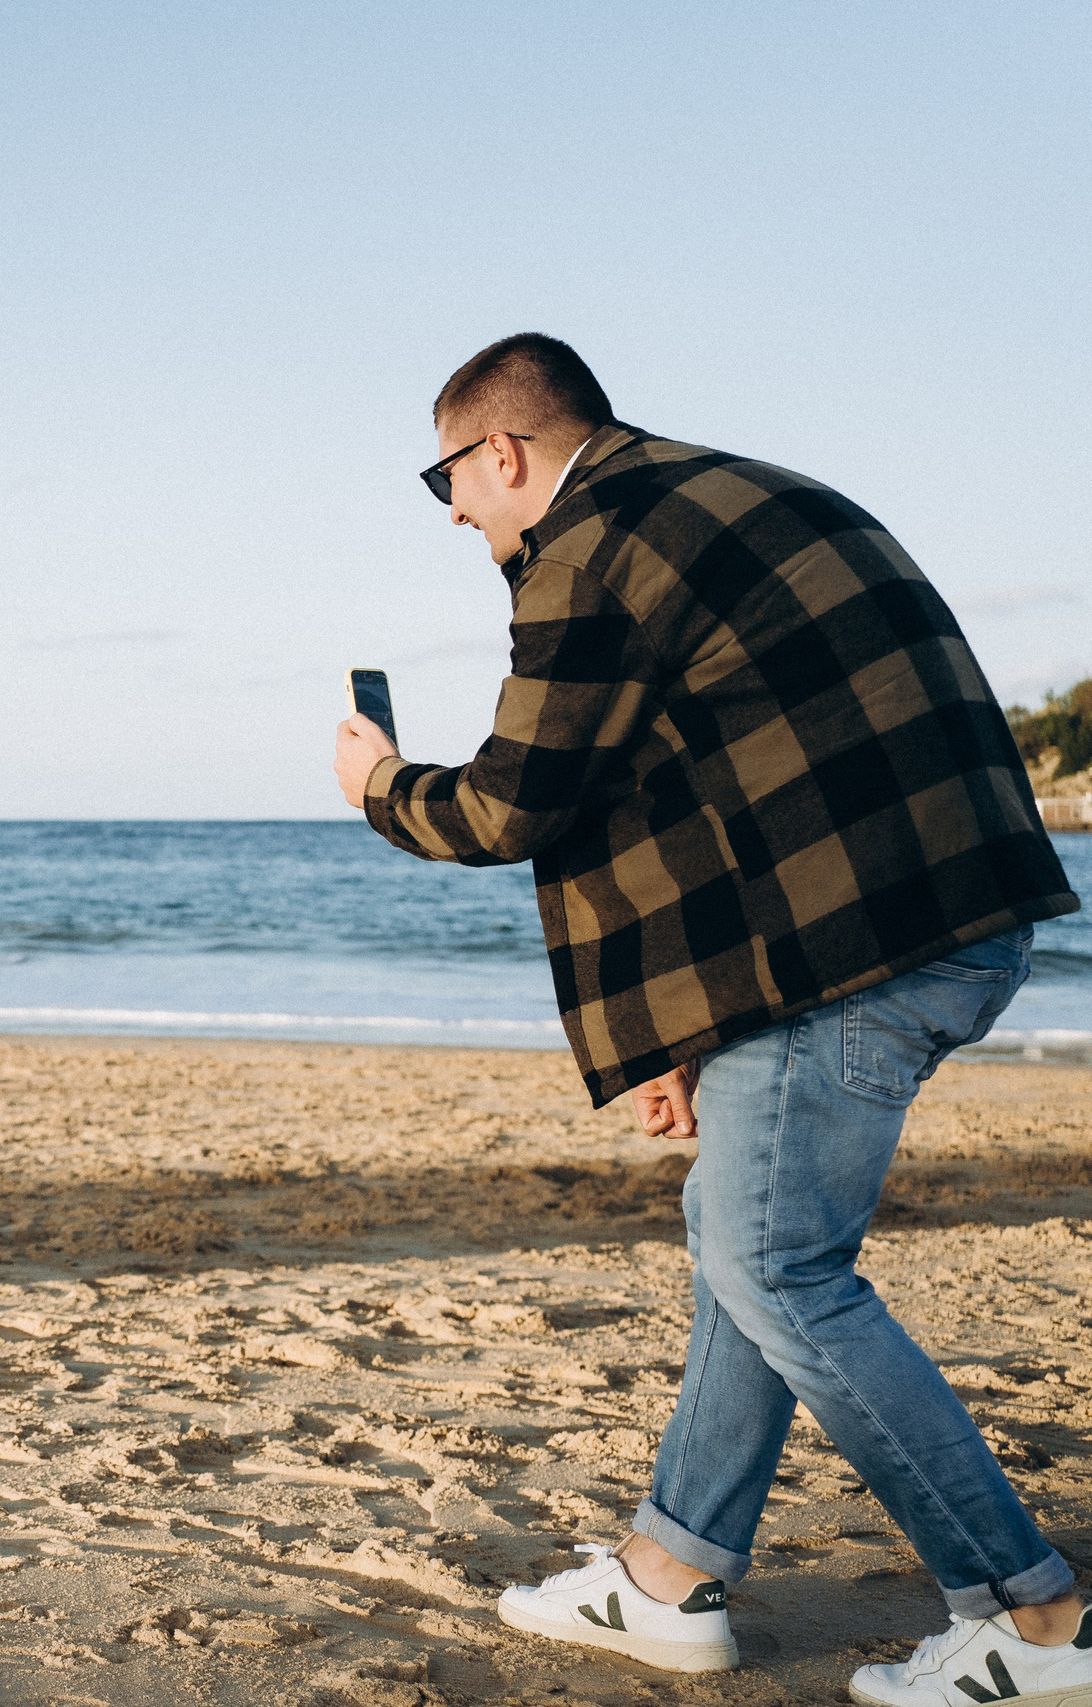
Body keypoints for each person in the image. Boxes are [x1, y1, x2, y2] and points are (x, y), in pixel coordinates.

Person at [332, 334, 1083, 1703]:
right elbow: (708, 789)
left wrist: (382, 782)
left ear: (501, 451)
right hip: (930, 919)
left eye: (445, 478)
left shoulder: (588, 546)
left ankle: (1032, 1620)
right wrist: (683, 1027)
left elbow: (518, 803)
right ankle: (670, 1575)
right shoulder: (744, 493)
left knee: (780, 1263)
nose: (451, 514)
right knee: (746, 1245)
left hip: (857, 950)